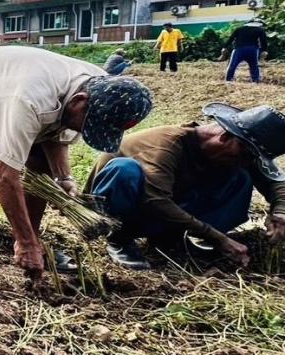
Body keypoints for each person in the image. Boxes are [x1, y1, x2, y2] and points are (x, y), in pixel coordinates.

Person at [0, 45, 152, 280]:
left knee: (41, 164)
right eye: (88, 125)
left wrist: (63, 178)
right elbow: (4, 175)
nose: (87, 131)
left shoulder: (101, 84)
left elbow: (57, 131)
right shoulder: (28, 97)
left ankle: (32, 239)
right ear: (79, 101)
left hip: (3, 90)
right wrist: (26, 244)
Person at [86, 104, 285, 270]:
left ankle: (169, 239)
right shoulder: (167, 145)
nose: (246, 161)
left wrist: (281, 213)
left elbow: (276, 180)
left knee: (241, 175)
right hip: (129, 205)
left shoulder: (237, 149)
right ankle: (119, 239)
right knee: (125, 169)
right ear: (224, 137)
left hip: (162, 207)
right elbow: (156, 200)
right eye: (247, 156)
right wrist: (217, 238)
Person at [225, 19, 269, 83]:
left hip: (239, 49)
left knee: (232, 65)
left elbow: (231, 38)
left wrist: (225, 46)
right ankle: (255, 81)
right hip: (253, 49)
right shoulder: (260, 30)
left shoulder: (239, 29)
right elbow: (263, 41)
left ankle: (228, 80)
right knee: (254, 65)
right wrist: (264, 50)